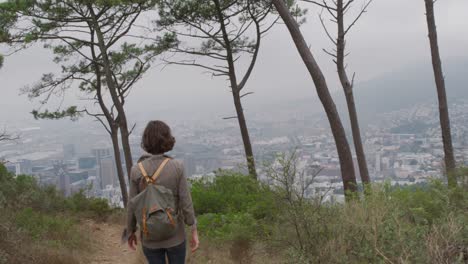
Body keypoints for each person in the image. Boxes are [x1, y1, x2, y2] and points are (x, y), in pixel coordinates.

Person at [126, 120, 199, 264]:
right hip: (175, 236)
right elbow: (186, 202)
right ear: (167, 139)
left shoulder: (136, 170)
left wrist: (130, 231)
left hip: (149, 237)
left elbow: (132, 205)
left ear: (146, 141)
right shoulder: (177, 167)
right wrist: (193, 228)